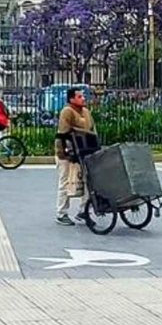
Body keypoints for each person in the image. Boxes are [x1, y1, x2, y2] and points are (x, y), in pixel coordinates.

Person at [54, 87, 97, 225]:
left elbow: (92, 131)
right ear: (71, 99)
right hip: (67, 153)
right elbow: (63, 133)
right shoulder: (67, 111)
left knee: (87, 180)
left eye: (83, 96)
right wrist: (65, 152)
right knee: (65, 181)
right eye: (79, 96)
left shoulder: (86, 112)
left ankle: (84, 210)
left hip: (83, 152)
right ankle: (61, 213)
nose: (83, 98)